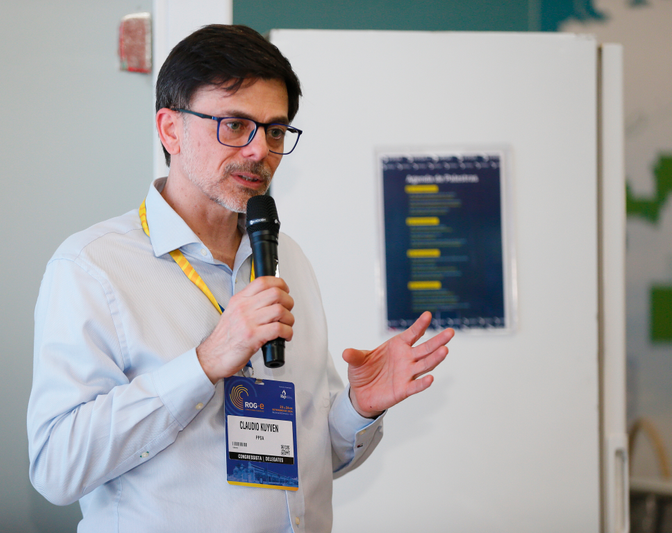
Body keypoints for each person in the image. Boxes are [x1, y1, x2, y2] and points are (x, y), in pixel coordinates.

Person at [27, 24, 454, 532]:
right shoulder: (92, 267)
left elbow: (312, 461)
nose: (259, 151)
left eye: (275, 131)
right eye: (234, 125)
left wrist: (358, 409)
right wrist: (205, 362)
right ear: (170, 129)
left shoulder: (287, 258)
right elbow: (56, 468)